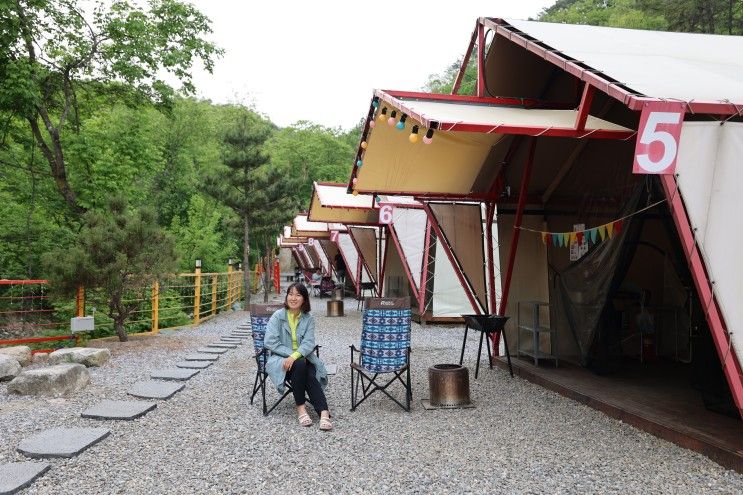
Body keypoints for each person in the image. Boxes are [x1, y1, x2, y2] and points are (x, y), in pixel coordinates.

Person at [264, 282, 332, 430]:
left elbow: (308, 343)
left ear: (304, 299)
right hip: (281, 361)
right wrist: (294, 356)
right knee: (302, 365)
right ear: (287, 296)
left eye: (298, 295)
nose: (293, 298)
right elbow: (270, 342)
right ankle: (321, 412)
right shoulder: (278, 316)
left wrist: (295, 356)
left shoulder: (308, 318)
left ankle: (311, 411)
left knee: (304, 367)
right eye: (290, 294)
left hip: (303, 360)